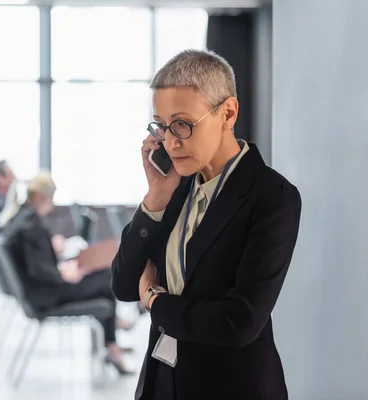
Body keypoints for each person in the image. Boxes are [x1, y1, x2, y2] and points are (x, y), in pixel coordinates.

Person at [111, 49, 302, 399]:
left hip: (232, 385)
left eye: (182, 124)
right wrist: (154, 199)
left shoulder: (272, 196)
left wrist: (155, 301)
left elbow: (239, 322)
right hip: (162, 381)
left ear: (227, 113)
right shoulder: (175, 185)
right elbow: (124, 285)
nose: (170, 142)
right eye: (162, 126)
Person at [3, 172, 133, 375]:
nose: (52, 205)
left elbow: (36, 264)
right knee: (107, 280)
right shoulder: (30, 226)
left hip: (39, 291)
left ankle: (111, 343)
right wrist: (65, 274)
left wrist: (63, 268)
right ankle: (111, 344)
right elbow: (39, 270)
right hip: (47, 296)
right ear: (39, 197)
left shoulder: (20, 219)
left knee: (102, 284)